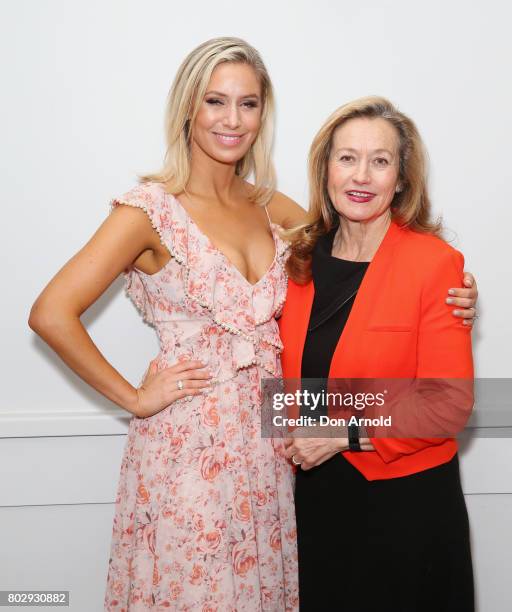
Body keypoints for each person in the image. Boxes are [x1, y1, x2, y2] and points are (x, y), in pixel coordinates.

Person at [27, 37, 477, 610]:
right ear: (188, 107)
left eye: (248, 103)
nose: (231, 120)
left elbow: (367, 245)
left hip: (271, 456)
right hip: (187, 451)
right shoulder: (147, 211)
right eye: (216, 101)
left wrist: (455, 290)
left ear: (264, 113)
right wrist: (135, 399)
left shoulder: (273, 209)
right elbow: (50, 313)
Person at [279, 97, 475, 611]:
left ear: (401, 179)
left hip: (405, 509)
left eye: (380, 160)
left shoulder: (436, 264)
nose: (361, 175)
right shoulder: (296, 262)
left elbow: (448, 404)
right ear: (325, 169)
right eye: (346, 157)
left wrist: (342, 433)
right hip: (317, 502)